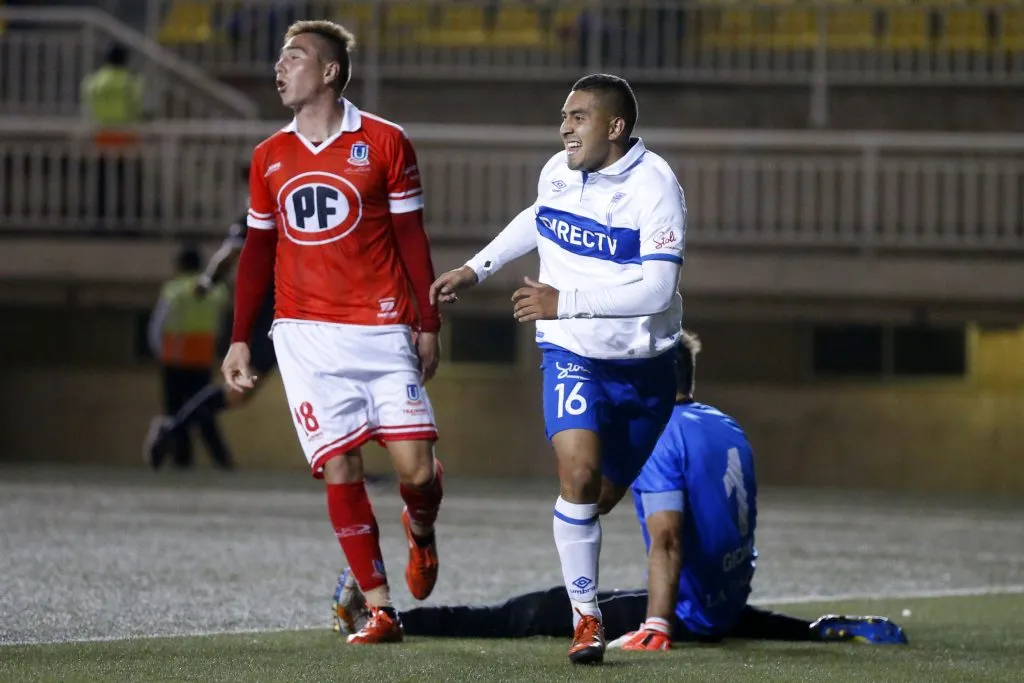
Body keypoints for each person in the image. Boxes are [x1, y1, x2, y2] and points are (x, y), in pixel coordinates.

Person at [332, 332, 909, 649]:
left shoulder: (659, 433)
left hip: (692, 607)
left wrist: (657, 625)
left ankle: (399, 621)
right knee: (706, 612)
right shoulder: (725, 425)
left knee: (532, 612)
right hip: (725, 595)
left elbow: (669, 539)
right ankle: (819, 627)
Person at [430, 73, 686, 664]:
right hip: (571, 352)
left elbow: (658, 287)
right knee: (575, 475)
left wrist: (561, 299)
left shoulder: (656, 187)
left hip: (645, 368)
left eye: (578, 117)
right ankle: (587, 621)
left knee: (595, 498)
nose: (564, 126)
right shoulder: (558, 170)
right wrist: (477, 268)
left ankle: (581, 590)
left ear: (616, 127)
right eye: (564, 116)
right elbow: (540, 215)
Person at [221, 19, 444, 646]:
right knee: (341, 468)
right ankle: (380, 609)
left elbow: (411, 239)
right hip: (304, 333)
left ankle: (420, 534)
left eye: (294, 57)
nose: (279, 67)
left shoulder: (386, 142)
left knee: (418, 471)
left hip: (380, 327)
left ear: (329, 72)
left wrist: (428, 323)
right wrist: (241, 337)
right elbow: (258, 253)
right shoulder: (268, 157)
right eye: (279, 58)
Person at [143, 165, 277, 470]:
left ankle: (173, 428)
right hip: (270, 319)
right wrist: (206, 281)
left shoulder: (285, 215)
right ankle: (172, 428)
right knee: (238, 393)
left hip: (290, 316)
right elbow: (229, 253)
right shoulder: (256, 218)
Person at [146, 244, 233, 470]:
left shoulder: (174, 289)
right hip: (201, 360)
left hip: (174, 361)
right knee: (202, 413)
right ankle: (222, 460)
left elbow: (157, 325)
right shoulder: (217, 291)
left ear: (181, 264)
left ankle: (182, 460)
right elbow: (221, 326)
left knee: (175, 412)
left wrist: (159, 352)